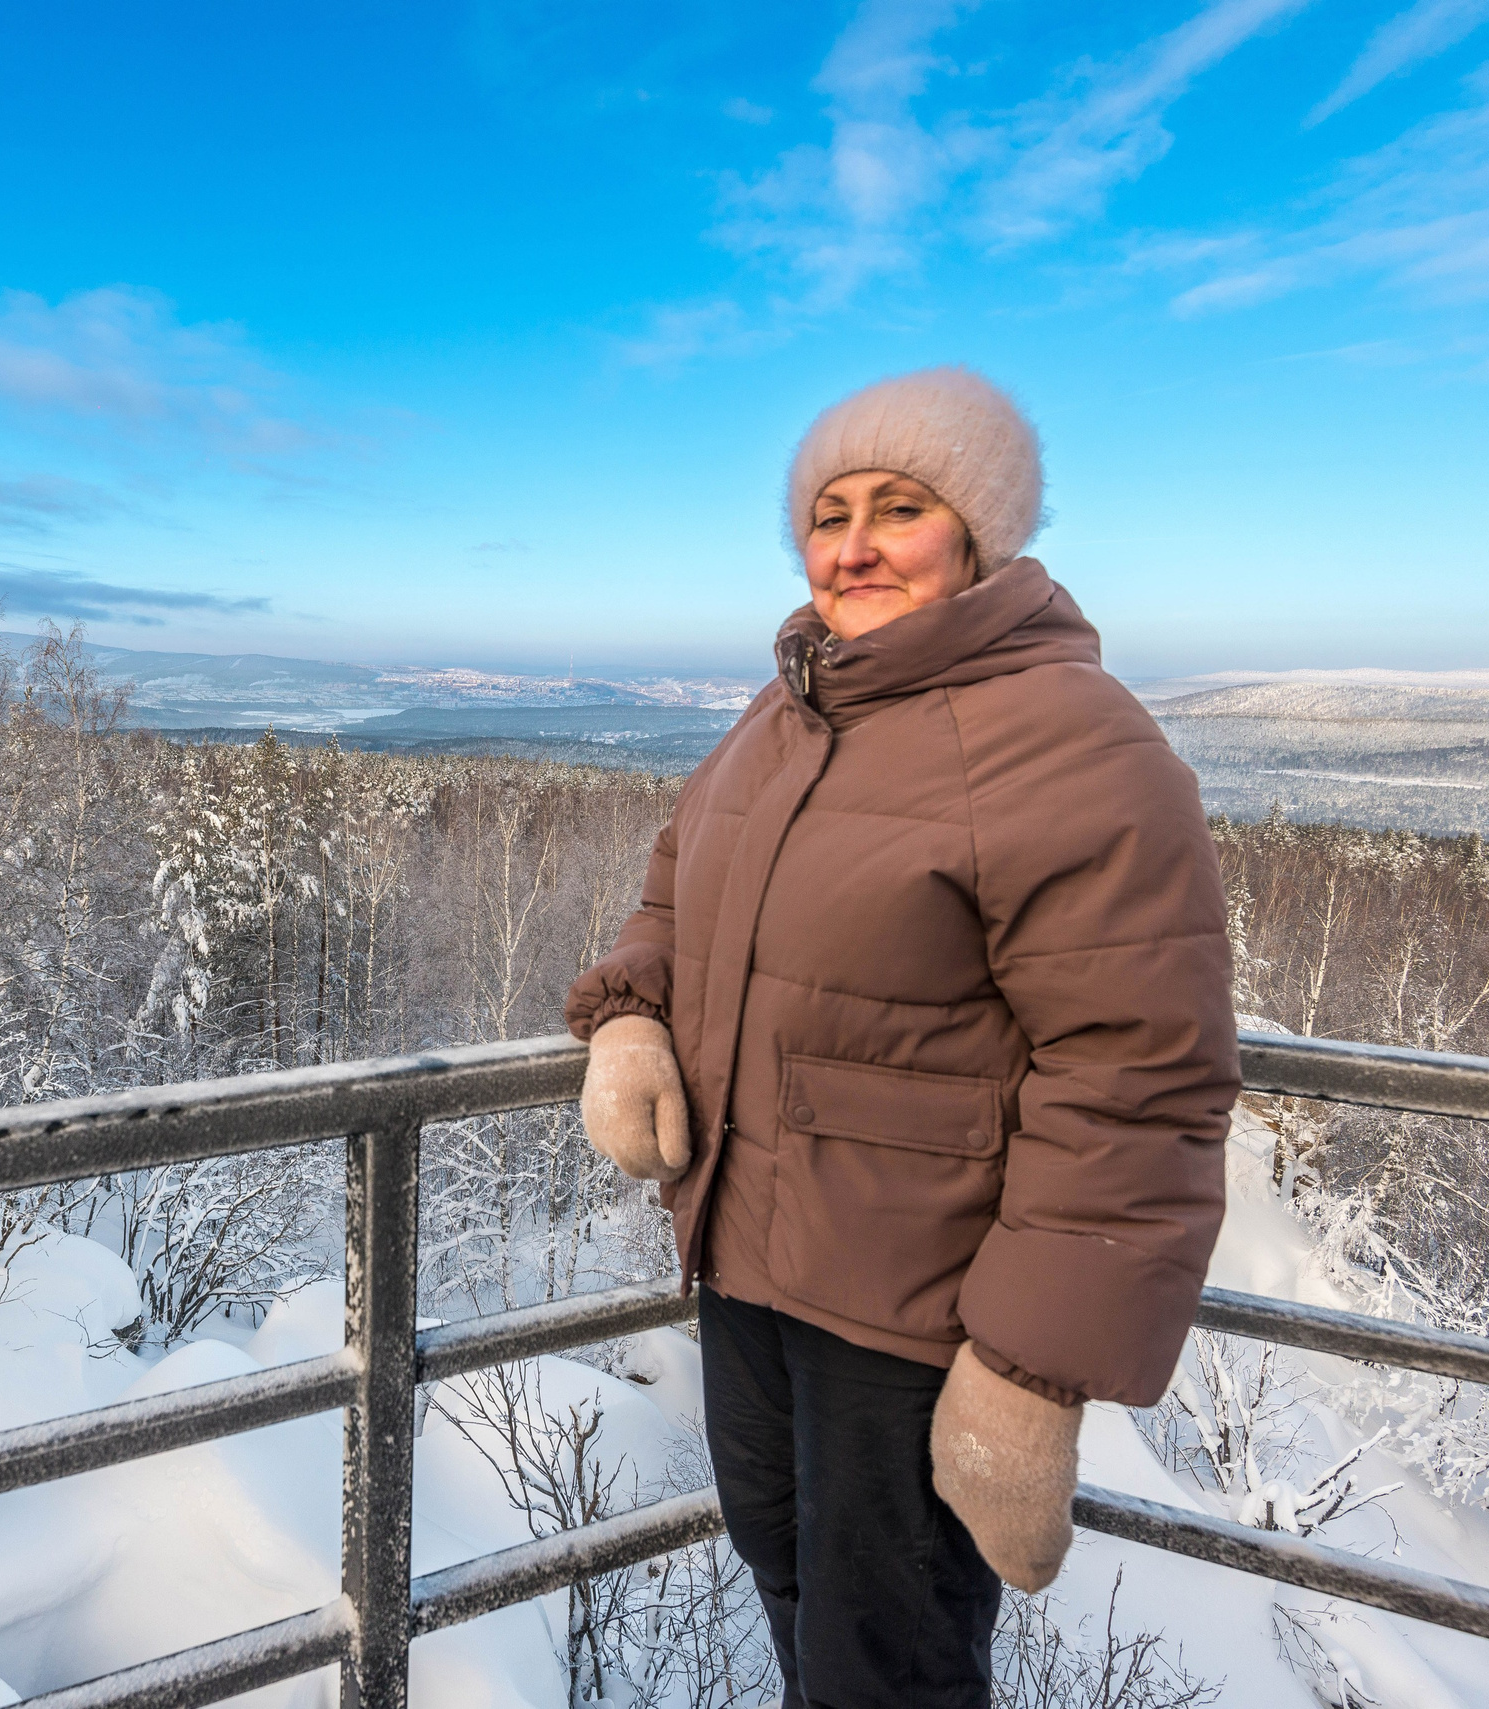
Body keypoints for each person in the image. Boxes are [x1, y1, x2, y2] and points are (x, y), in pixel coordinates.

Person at [565, 367, 1238, 1708]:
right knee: (791, 1589)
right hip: (747, 1264)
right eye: (829, 512)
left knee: (896, 1662)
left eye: (901, 506)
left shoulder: (1074, 742)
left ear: (978, 532)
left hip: (916, 1320)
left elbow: (1138, 1080)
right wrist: (628, 1015)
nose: (854, 542)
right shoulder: (790, 712)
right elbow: (675, 893)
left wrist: (1030, 1373)